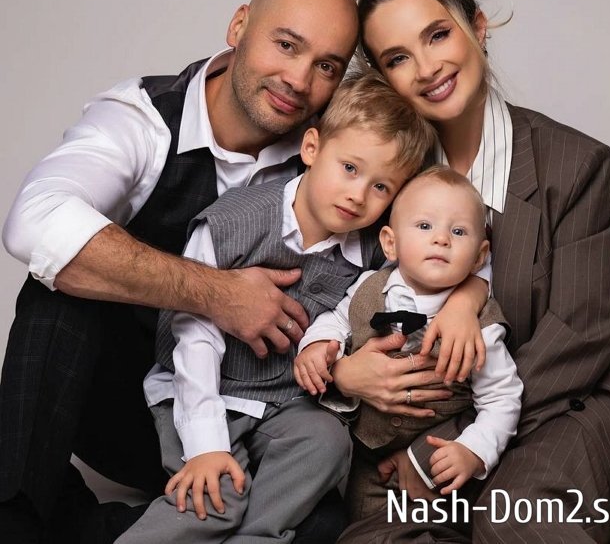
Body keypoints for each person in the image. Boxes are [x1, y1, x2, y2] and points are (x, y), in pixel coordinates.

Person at [0, 0, 488, 543]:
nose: (298, 80)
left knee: (321, 523)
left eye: (327, 66)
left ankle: (109, 529)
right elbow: (34, 221)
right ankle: (14, 518)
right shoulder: (146, 119)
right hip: (146, 401)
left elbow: (438, 237)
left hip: (267, 416)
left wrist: (465, 299)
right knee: (60, 289)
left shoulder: (346, 154)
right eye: (286, 45)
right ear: (238, 27)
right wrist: (218, 294)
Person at [327, 0, 610, 543]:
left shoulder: (574, 164)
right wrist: (345, 375)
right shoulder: (385, 178)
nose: (427, 69)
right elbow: (348, 296)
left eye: (437, 35)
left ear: (476, 26)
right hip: (428, 429)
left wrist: (452, 440)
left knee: (512, 519)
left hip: (573, 405)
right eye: (397, 58)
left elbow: (582, 334)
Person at [117, 70, 436, 544]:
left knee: (326, 441)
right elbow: (194, 334)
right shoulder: (236, 220)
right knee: (216, 502)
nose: (358, 195)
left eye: (381, 188)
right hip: (207, 390)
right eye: (350, 168)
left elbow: (443, 269)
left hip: (284, 404)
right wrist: (205, 446)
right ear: (312, 148)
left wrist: (468, 297)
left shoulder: (374, 249)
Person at [295, 166, 522, 522]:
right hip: (360, 452)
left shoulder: (481, 328)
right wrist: (318, 344)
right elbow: (337, 320)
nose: (441, 239)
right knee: (356, 524)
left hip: (431, 462)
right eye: (425, 226)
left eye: (458, 231)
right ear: (390, 243)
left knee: (426, 526)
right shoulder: (369, 286)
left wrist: (474, 450)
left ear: (479, 257)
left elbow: (502, 398)